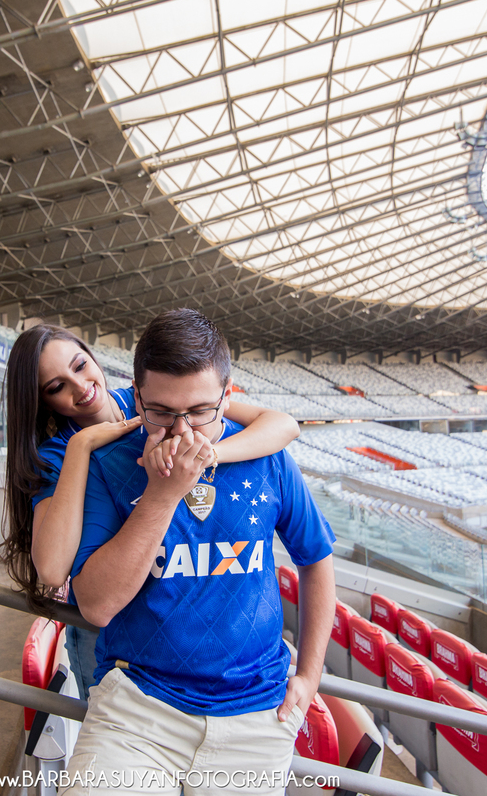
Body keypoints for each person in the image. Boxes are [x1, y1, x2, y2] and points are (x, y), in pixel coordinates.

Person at [61, 309, 336, 795]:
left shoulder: (267, 457)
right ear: (137, 397)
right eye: (163, 413)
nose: (183, 432)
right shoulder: (109, 463)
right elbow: (97, 605)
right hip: (137, 710)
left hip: (256, 714)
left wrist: (310, 675)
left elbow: (315, 558)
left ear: (228, 398)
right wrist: (162, 495)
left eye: (201, 412)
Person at [0, 324, 301, 699]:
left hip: (173, 618)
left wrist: (211, 456)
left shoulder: (156, 402)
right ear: (42, 402)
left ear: (93, 357)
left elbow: (283, 424)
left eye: (79, 366)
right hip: (108, 632)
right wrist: (82, 447)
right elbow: (51, 567)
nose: (80, 386)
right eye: (56, 386)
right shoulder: (59, 453)